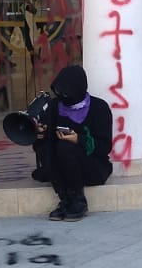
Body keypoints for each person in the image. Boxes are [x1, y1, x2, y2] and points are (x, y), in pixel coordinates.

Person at [33, 64, 113, 221]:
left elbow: (104, 147)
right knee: (48, 147)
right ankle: (65, 198)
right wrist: (40, 134)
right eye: (59, 92)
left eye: (66, 92)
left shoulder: (99, 108)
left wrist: (79, 139)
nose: (63, 96)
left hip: (92, 166)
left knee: (65, 147)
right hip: (62, 166)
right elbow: (43, 141)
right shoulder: (55, 107)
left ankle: (78, 200)